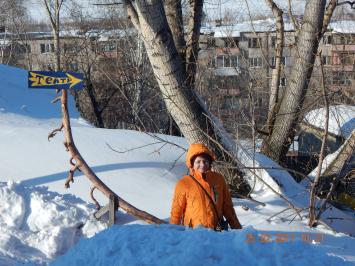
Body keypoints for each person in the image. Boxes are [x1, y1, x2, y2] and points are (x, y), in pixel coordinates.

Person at [170, 143, 242, 230]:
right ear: (191, 163)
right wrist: (173, 234)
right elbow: (176, 212)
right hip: (193, 234)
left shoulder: (219, 179)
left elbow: (228, 207)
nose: (203, 165)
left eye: (205, 161)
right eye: (198, 161)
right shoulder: (183, 183)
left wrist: (238, 230)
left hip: (216, 233)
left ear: (209, 162)